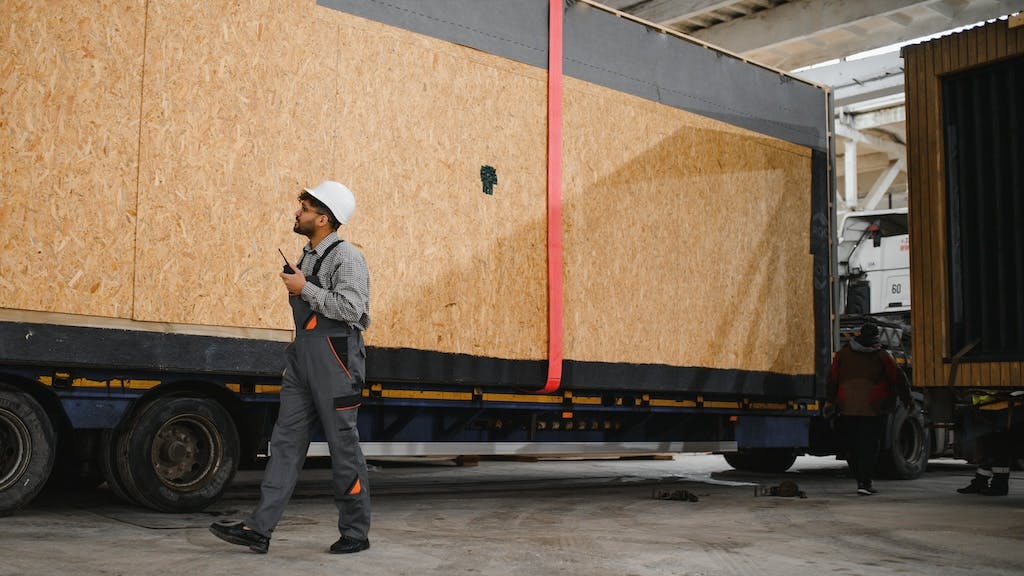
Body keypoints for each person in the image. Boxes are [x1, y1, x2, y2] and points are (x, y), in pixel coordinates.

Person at [210, 181, 372, 554]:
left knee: (343, 447)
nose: (297, 212)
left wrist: (304, 288)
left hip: (337, 361)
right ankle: (258, 528)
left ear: (324, 218)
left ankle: (355, 532)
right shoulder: (308, 256)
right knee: (284, 444)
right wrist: (297, 358)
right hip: (304, 360)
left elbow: (353, 310)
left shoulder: (346, 257)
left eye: (305, 208)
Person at [829, 321, 912, 495]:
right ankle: (864, 482)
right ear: (876, 337)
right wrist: (907, 401)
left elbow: (832, 379)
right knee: (869, 446)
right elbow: (898, 378)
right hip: (874, 408)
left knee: (853, 446)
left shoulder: (842, 355)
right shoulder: (882, 355)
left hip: (847, 407)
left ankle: (859, 478)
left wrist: (830, 402)